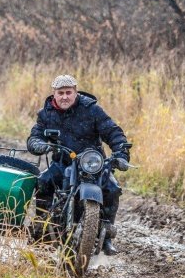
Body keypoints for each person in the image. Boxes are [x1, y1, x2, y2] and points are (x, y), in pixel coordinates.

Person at [27, 74, 130, 255]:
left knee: (112, 188)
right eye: (61, 93)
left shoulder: (92, 110)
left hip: (92, 164)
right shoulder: (46, 114)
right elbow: (35, 136)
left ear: (76, 93)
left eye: (68, 92)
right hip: (62, 163)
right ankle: (41, 226)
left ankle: (106, 236)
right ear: (54, 94)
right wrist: (38, 144)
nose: (65, 96)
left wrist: (121, 153)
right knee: (43, 181)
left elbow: (113, 132)